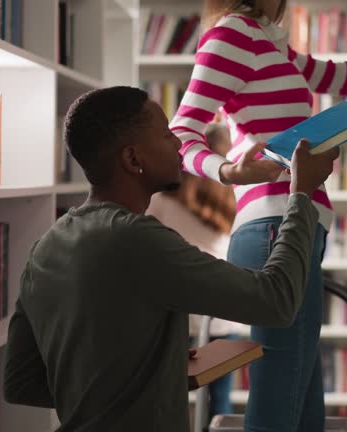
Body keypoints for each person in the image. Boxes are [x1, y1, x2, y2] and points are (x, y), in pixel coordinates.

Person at [2, 86, 339, 432]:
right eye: (165, 134)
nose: (179, 144)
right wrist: (300, 195)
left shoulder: (45, 246)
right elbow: (277, 301)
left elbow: (20, 383)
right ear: (133, 160)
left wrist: (146, 370)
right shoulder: (137, 239)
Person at [170, 0, 347, 430]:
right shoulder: (233, 34)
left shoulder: (271, 43)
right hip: (274, 225)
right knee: (280, 400)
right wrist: (227, 170)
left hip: (293, 224)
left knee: (301, 402)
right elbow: (181, 133)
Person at [147, 122, 247, 426]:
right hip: (221, 312)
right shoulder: (238, 203)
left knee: (168, 393)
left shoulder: (162, 203)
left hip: (176, 313)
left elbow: (146, 247)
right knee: (221, 399)